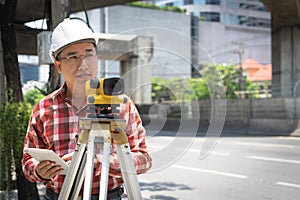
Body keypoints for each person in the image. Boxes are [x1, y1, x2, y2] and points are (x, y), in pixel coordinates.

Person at [22, 18, 152, 200]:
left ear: (96, 57)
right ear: (58, 65)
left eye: (89, 54)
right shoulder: (43, 109)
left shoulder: (122, 105)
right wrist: (38, 170)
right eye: (73, 57)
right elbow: (28, 161)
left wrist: (105, 162)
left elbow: (144, 160)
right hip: (60, 195)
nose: (83, 64)